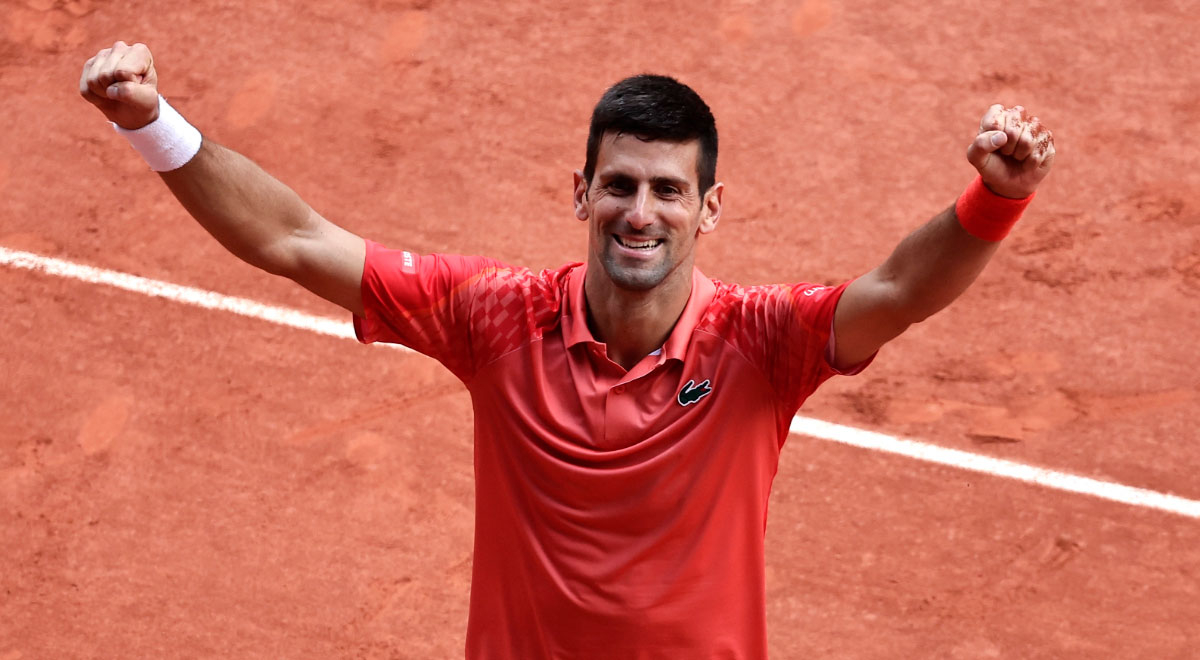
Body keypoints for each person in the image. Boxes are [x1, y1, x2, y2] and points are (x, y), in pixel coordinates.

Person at [79, 40, 1055, 659]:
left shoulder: (765, 340)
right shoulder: (494, 316)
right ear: (581, 193)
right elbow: (292, 241)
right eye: (620, 185)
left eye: (668, 190)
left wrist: (995, 199)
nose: (641, 212)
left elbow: (897, 293)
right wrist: (152, 125)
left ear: (708, 209)